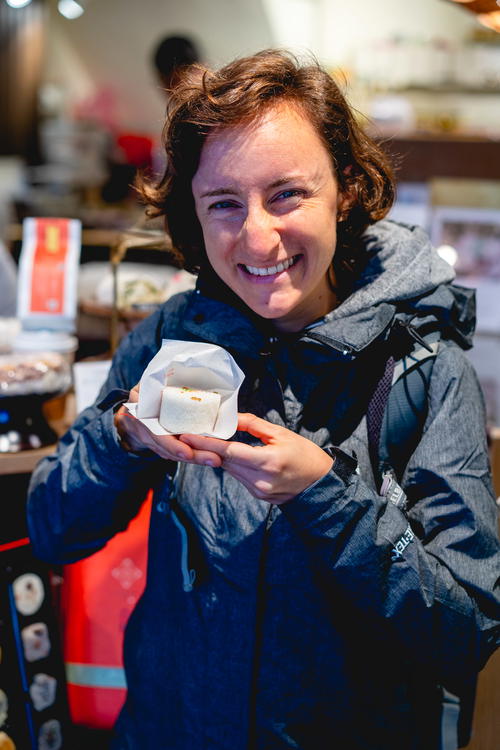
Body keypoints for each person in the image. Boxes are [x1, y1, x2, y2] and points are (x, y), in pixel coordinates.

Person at [27, 50, 500, 750]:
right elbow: (53, 526)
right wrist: (122, 438)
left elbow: (463, 631)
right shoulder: (172, 338)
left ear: (343, 187)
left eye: (287, 194)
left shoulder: (422, 369)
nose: (256, 237)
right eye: (224, 203)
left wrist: (325, 495)